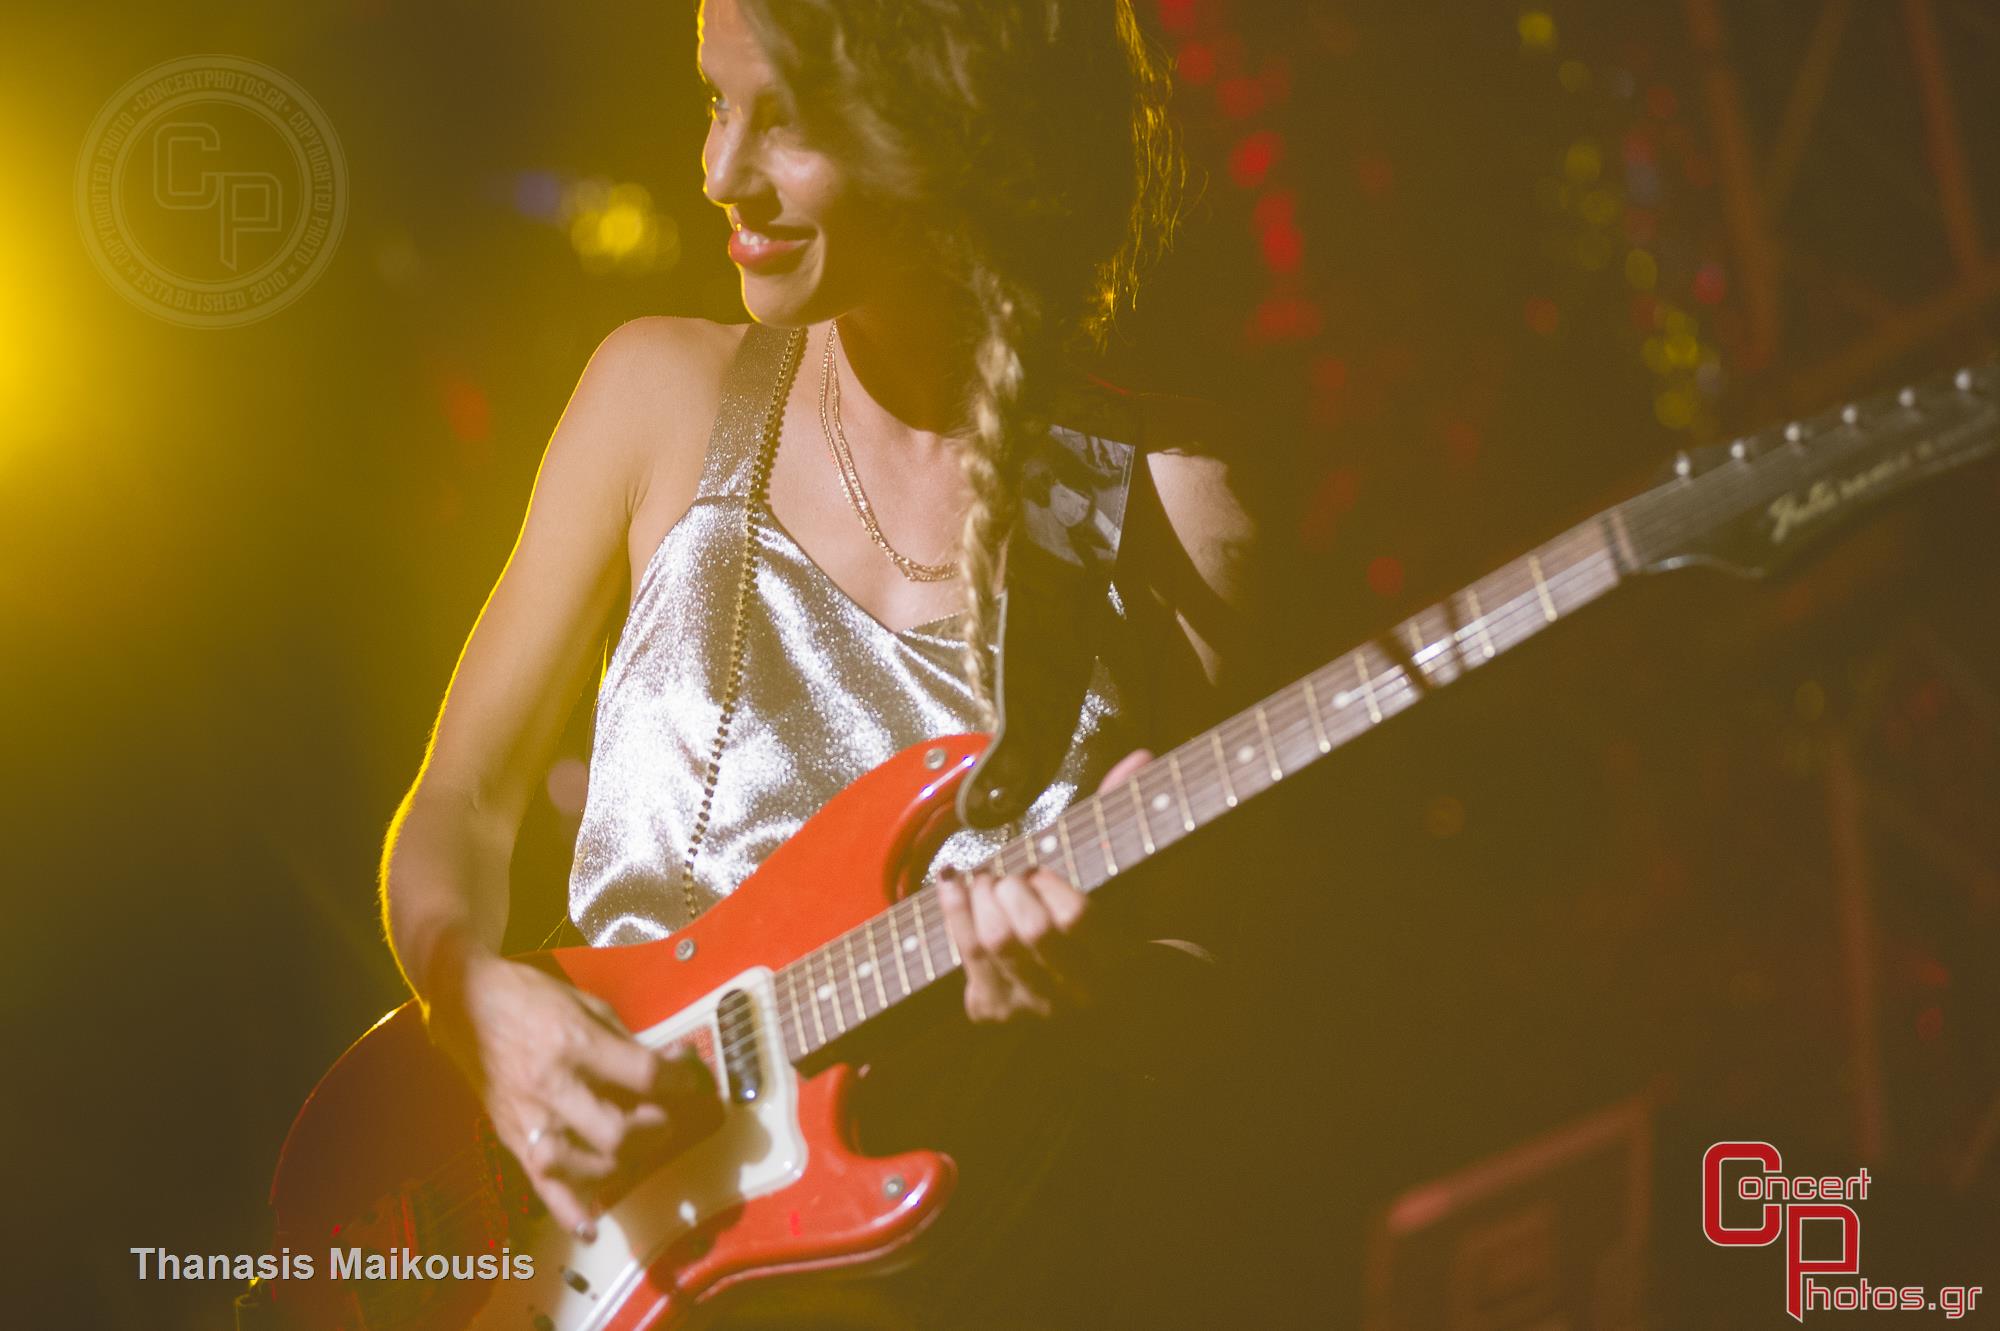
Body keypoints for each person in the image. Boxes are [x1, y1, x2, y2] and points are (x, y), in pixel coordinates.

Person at [379, 0, 1260, 1323]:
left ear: (956, 126)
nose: (718, 172)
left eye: (787, 119)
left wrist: (1108, 992)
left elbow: (1233, 1014)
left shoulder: (1179, 503)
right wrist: (473, 997)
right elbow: (460, 795)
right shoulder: (657, 394)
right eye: (715, 100)